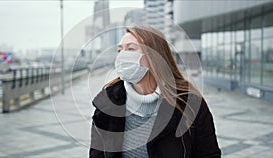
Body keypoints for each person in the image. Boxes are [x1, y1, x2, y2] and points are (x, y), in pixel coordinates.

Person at [90, 26, 221, 158]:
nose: (122, 56)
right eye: (119, 50)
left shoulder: (190, 104)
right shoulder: (106, 104)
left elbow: (209, 154)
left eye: (130, 49)